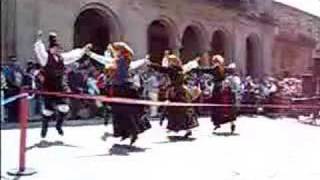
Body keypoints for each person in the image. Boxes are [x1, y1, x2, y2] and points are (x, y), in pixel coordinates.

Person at [86, 42, 151, 145]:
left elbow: (104, 60)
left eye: (114, 50)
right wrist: (144, 60)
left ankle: (131, 132)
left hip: (121, 89)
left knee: (122, 112)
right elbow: (135, 64)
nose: (113, 52)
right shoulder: (126, 60)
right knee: (124, 112)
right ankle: (127, 133)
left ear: (119, 50)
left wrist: (91, 54)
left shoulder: (119, 60)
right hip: (125, 88)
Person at [34, 30, 91, 138]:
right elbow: (39, 51)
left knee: (64, 108)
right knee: (48, 110)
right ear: (51, 49)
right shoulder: (45, 58)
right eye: (55, 48)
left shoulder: (61, 58)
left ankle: (58, 125)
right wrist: (39, 40)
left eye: (58, 48)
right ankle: (44, 127)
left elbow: (73, 55)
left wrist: (84, 49)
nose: (57, 50)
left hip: (60, 86)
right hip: (49, 86)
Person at [150, 54, 201, 138]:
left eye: (170, 61)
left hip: (175, 92)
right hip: (182, 91)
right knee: (182, 109)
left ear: (173, 61)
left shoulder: (172, 69)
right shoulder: (181, 69)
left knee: (175, 110)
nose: (168, 62)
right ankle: (184, 128)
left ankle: (177, 127)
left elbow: (162, 69)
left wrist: (151, 64)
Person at [209, 55, 237, 133]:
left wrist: (194, 68)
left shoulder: (215, 68)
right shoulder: (224, 68)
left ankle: (217, 123)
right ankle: (231, 123)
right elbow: (231, 70)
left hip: (218, 89)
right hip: (225, 89)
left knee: (217, 107)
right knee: (227, 107)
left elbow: (206, 70)